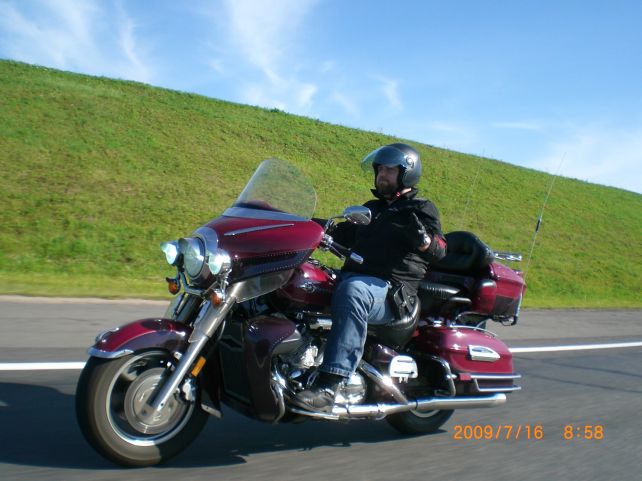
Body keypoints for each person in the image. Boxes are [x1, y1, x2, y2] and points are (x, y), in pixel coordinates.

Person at [294, 143, 447, 411]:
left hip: (393, 294)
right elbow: (341, 234)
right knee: (303, 278)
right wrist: (305, 224)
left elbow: (440, 250)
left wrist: (424, 240)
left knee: (354, 291)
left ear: (406, 174)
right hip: (358, 279)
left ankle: (330, 384)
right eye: (380, 169)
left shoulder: (421, 209)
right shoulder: (372, 209)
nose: (382, 175)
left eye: (390, 170)